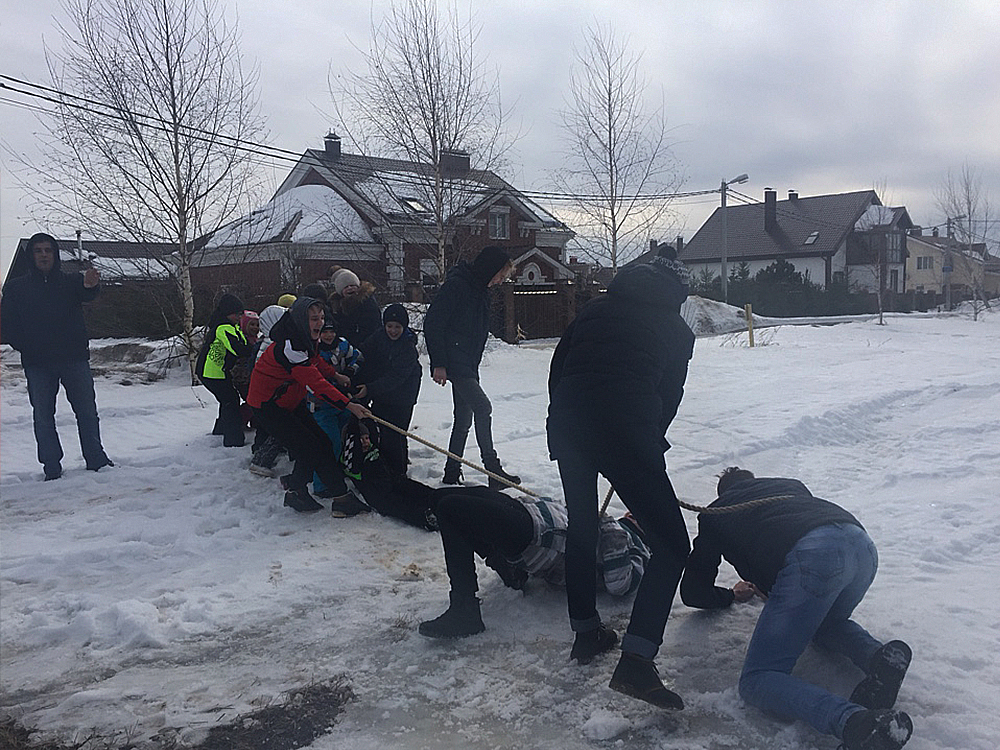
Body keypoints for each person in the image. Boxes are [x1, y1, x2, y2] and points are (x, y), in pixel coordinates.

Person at [546, 244, 695, 709]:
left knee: (583, 527)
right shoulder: (676, 328)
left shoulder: (595, 309)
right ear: (676, 292)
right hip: (625, 430)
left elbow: (558, 370)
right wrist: (645, 442)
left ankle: (586, 633)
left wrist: (570, 420)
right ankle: (636, 660)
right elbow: (668, 396)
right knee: (672, 546)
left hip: (569, 425)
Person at [680, 467, 913, 750]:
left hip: (815, 556)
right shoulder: (791, 486)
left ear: (723, 493)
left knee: (758, 678)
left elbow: (694, 593)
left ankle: (856, 724)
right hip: (861, 547)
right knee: (823, 622)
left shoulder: (716, 512)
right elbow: (788, 534)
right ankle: (879, 658)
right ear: (756, 481)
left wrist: (730, 595)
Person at [418, 488, 651, 639]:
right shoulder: (615, 526)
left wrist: (607, 523)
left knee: (451, 509)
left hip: (542, 539)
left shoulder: (638, 550)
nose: (632, 513)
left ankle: (465, 610)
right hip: (531, 514)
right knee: (438, 498)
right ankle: (505, 565)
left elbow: (620, 584)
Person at [0, 232, 113, 480]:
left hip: (74, 359)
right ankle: (51, 466)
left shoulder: (70, 282)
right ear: (31, 256)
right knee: (43, 416)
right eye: (38, 251)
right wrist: (27, 347)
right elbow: (7, 324)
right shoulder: (16, 288)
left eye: (48, 250)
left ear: (55, 254)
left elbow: (87, 293)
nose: (43, 255)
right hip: (38, 363)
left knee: (87, 412)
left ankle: (96, 458)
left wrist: (92, 285)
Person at [247, 296, 371, 515]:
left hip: (289, 399)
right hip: (268, 405)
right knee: (311, 448)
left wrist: (335, 375)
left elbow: (316, 361)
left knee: (320, 443)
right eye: (314, 319)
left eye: (321, 317)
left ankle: (300, 492)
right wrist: (349, 405)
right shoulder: (290, 347)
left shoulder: (303, 337)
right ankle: (338, 498)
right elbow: (316, 383)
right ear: (301, 320)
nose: (320, 323)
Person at [422, 246, 519, 487]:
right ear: (489, 269)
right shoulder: (457, 286)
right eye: (500, 275)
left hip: (468, 362)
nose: (500, 281)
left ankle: (451, 472)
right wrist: (439, 363)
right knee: (483, 407)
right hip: (456, 361)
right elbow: (434, 323)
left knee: (463, 419)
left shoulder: (480, 291)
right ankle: (493, 470)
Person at [356, 303, 422, 477]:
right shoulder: (378, 337)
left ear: (404, 327)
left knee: (396, 434)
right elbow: (363, 352)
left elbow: (396, 377)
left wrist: (370, 388)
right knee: (381, 432)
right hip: (382, 394)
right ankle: (384, 468)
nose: (393, 331)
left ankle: (399, 473)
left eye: (397, 327)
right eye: (390, 326)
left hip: (402, 397)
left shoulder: (408, 348)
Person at [340, 416, 437, 530]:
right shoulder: (351, 461)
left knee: (416, 489)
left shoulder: (372, 447)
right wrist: (353, 418)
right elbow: (353, 438)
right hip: (379, 493)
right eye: (360, 439)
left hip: (391, 480)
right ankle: (426, 519)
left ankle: (440, 498)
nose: (365, 442)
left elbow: (373, 431)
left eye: (366, 438)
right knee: (402, 505)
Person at [310, 319, 363, 498]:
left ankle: (337, 472)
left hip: (343, 403)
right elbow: (314, 379)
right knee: (328, 443)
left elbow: (358, 357)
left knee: (342, 439)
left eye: (331, 331)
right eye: (324, 332)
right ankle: (321, 484)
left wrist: (350, 372)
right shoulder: (313, 350)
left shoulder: (343, 345)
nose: (328, 335)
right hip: (321, 404)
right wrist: (336, 384)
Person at [196, 293, 249, 448]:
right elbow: (237, 348)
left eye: (241, 314)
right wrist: (257, 350)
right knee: (231, 401)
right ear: (227, 313)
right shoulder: (223, 327)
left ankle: (221, 430)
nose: (239, 317)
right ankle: (233, 440)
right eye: (236, 314)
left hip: (216, 372)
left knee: (227, 400)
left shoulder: (231, 326)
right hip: (212, 373)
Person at [327, 267, 381, 347]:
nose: (350, 288)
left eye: (352, 285)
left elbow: (371, 329)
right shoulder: (336, 306)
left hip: (365, 346)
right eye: (346, 287)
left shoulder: (367, 303)